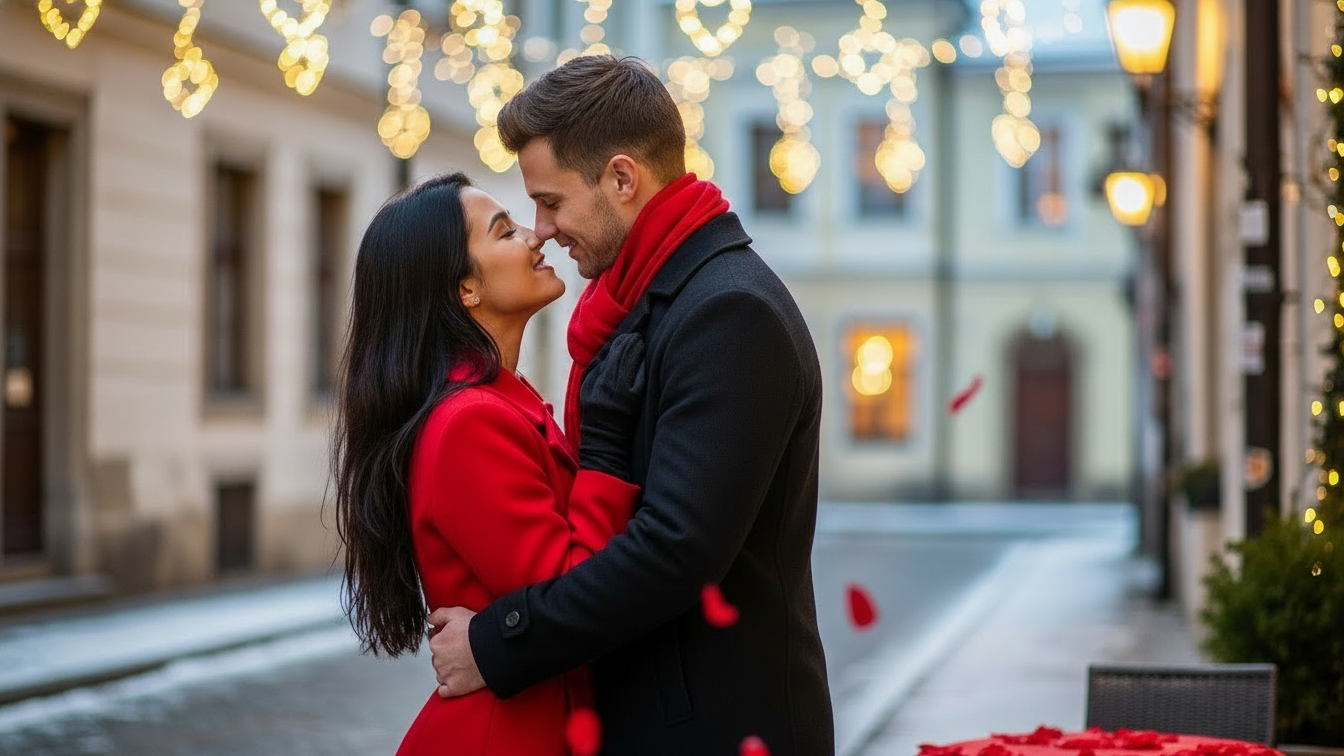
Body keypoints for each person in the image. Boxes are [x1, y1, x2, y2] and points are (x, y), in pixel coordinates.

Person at [427, 55, 835, 755]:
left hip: (718, 729)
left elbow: (674, 552)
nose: (542, 228)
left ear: (621, 178)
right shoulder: (644, 305)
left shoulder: (729, 313)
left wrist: (497, 642)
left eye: (551, 201)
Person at [330, 172, 649, 755]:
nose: (536, 237)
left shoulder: (500, 401)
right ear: (465, 289)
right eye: (505, 232)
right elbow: (573, 592)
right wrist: (605, 447)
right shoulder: (470, 422)